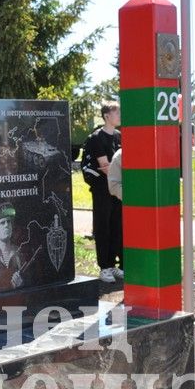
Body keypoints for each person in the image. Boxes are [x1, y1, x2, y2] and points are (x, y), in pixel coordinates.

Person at [84, 101, 123, 283]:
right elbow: (106, 167)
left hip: (116, 189)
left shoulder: (119, 136)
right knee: (103, 227)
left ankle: (114, 265)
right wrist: (120, 170)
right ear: (107, 116)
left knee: (117, 226)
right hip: (102, 190)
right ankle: (104, 267)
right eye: (117, 112)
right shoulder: (96, 138)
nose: (120, 115)